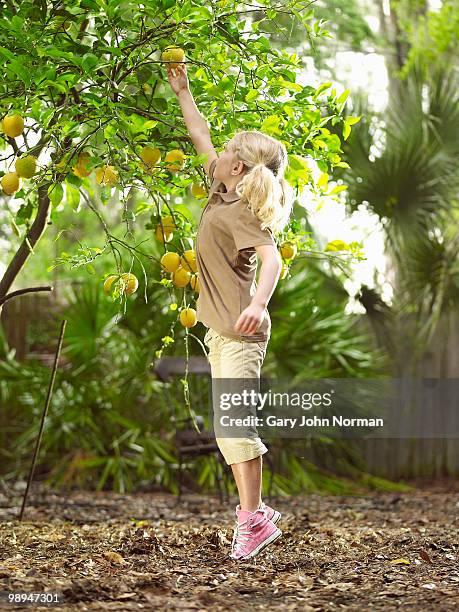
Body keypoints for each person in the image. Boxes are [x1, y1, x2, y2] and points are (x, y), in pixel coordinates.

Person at [167, 60, 293, 560]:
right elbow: (201, 135)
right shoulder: (222, 193)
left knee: (235, 427)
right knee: (229, 430)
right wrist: (184, 93)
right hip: (220, 333)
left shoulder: (241, 214)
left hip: (240, 333)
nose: (216, 155)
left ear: (236, 167)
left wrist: (259, 305)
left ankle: (253, 518)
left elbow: (273, 258)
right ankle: (255, 516)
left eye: (226, 153)